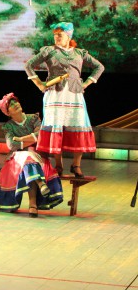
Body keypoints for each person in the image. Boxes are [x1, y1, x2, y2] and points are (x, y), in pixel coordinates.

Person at [25, 22, 104, 177]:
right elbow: (28, 65)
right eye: (55, 35)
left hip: (74, 94)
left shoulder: (79, 53)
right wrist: (39, 84)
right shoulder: (49, 51)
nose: (56, 38)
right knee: (57, 127)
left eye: (59, 35)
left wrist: (86, 83)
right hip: (55, 94)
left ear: (68, 36)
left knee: (79, 125)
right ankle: (58, 164)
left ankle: (76, 165)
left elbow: (99, 67)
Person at [0, 93, 64, 217]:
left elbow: (41, 134)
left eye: (15, 102)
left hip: (38, 157)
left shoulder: (33, 118)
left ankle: (33, 203)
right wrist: (32, 141)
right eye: (11, 105)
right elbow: (11, 145)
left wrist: (21, 139)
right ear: (8, 113)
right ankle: (37, 192)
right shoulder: (8, 126)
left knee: (29, 158)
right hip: (17, 160)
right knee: (26, 156)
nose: (15, 104)